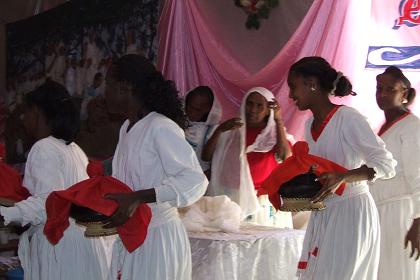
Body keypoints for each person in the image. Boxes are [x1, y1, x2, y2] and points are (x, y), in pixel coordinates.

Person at [287, 56, 396, 279]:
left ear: (311, 84)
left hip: (352, 213)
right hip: (325, 213)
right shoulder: (309, 125)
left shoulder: (347, 118)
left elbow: (385, 163)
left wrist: (343, 177)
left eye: (293, 86)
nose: (290, 95)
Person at [102, 54, 208, 280]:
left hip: (158, 238)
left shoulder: (160, 126)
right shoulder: (126, 128)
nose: (105, 92)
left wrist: (140, 197)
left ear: (125, 87)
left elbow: (195, 181)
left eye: (108, 85)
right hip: (133, 234)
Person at [0, 81, 112, 280]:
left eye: (26, 112)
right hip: (80, 244)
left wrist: (6, 214)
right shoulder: (74, 149)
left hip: (60, 246)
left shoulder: (44, 147)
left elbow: (48, 203)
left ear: (38, 112)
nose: (24, 120)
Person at [202, 87, 293, 226]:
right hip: (231, 197)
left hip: (263, 202)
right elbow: (206, 157)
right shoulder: (232, 128)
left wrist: (278, 120)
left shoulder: (274, 134)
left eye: (259, 105)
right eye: (249, 104)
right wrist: (220, 131)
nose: (253, 109)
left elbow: (285, 157)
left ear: (269, 110)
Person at [369, 66, 420, 279]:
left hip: (402, 214)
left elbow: (418, 174)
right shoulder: (381, 129)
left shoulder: (412, 127)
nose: (383, 94)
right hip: (380, 213)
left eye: (390, 89)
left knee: (400, 272)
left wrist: (418, 222)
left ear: (404, 94)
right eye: (380, 88)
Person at [184, 86, 222, 178]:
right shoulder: (179, 120)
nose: (191, 111)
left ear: (209, 109)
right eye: (189, 106)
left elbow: (209, 161)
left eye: (197, 109)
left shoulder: (213, 130)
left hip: (198, 178)